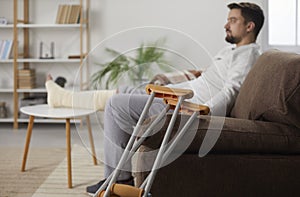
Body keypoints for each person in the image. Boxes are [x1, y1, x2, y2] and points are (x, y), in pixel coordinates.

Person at [45, 2, 264, 195]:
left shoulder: (248, 55)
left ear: (249, 26)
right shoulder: (231, 52)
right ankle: (64, 98)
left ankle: (119, 179)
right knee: (126, 91)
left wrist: (202, 111)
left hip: (185, 106)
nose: (226, 25)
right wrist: (168, 82)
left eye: (233, 20)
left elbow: (232, 90)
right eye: (228, 20)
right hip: (176, 96)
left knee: (116, 105)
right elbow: (204, 75)